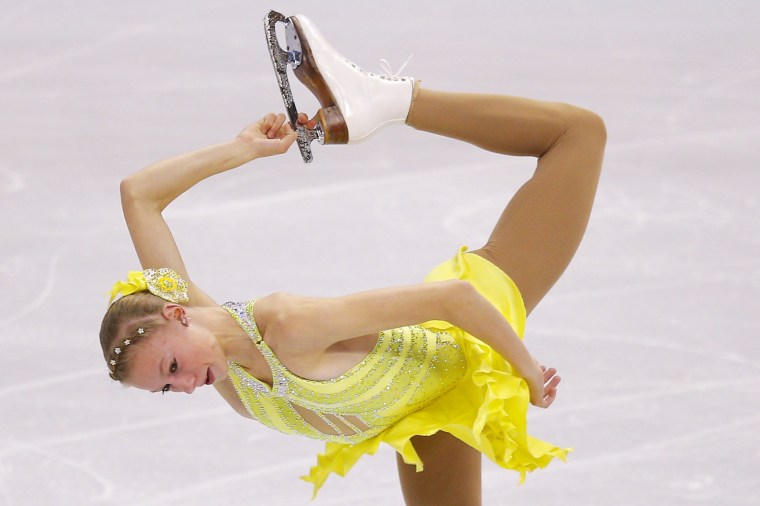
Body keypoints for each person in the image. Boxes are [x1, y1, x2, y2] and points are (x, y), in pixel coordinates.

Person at [100, 13, 606, 506]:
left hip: (469, 341)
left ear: (177, 314)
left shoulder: (287, 325)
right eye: (167, 388)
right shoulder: (217, 355)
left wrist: (528, 371)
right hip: (427, 419)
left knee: (577, 135)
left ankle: (396, 101)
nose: (186, 387)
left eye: (172, 367)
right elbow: (139, 199)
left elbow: (455, 299)